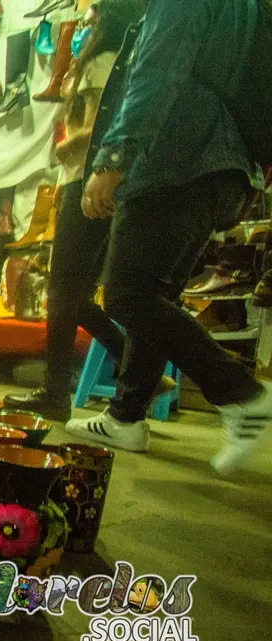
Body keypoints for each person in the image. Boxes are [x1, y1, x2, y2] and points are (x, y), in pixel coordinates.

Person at [74, 0, 272, 475]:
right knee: (157, 293)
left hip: (178, 155)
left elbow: (158, 69)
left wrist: (113, 157)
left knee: (126, 294)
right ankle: (126, 416)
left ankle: (241, 394)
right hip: (226, 165)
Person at [5, 0, 146, 421]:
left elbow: (100, 123)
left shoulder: (104, 58)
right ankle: (133, 365)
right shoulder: (122, 56)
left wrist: (68, 145)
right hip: (93, 179)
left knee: (62, 292)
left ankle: (54, 392)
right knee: (74, 296)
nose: (88, 19)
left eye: (95, 13)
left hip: (84, 179)